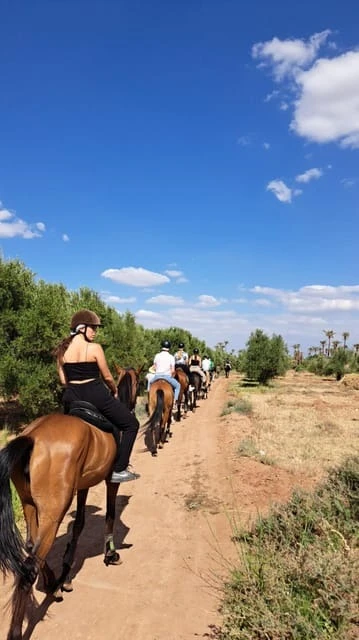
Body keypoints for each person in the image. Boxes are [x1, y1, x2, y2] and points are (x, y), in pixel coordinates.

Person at [54, 309, 140, 484]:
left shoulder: (62, 351)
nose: (95, 331)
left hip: (72, 397)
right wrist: (114, 389)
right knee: (131, 424)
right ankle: (119, 469)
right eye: (93, 328)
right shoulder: (94, 348)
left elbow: (63, 380)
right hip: (95, 394)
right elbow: (107, 376)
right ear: (82, 328)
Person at [147, 340, 181, 404]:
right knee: (178, 386)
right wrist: (172, 376)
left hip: (157, 376)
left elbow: (154, 367)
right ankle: (174, 401)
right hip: (167, 377)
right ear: (169, 347)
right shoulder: (171, 357)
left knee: (150, 382)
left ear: (162, 346)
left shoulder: (157, 355)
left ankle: (149, 399)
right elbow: (173, 370)